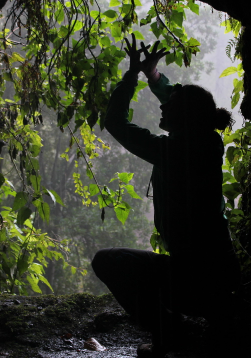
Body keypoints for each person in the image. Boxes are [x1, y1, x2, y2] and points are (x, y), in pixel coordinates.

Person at [91, 34, 241, 357]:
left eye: (169, 106)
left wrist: (132, 75)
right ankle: (188, 330)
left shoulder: (169, 151)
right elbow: (190, 103)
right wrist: (154, 76)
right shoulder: (210, 143)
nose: (163, 107)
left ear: (183, 117)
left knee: (108, 262)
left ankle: (172, 334)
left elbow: (114, 122)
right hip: (222, 278)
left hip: (194, 281)